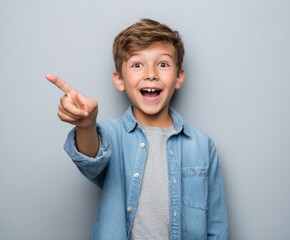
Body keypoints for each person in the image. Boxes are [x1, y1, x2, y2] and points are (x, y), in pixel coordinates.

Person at [47, 18, 229, 240]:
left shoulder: (202, 145)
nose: (150, 74)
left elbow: (217, 227)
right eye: (137, 65)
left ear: (179, 77)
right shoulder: (111, 135)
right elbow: (91, 158)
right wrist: (85, 125)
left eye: (162, 64)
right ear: (119, 80)